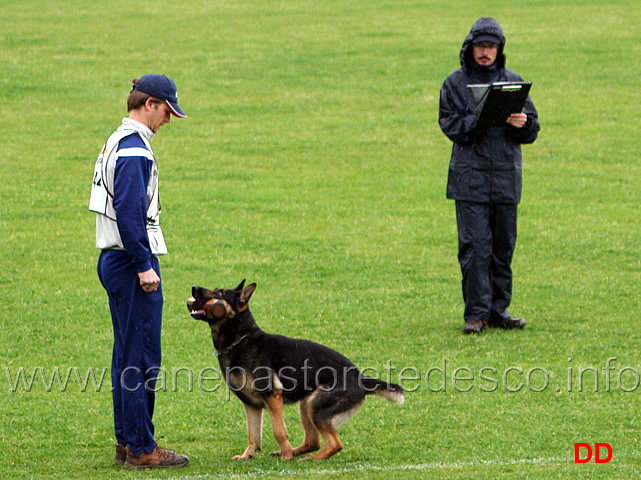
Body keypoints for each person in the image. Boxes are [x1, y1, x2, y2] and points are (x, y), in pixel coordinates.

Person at [89, 74, 189, 468]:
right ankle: (143, 449)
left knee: (125, 356)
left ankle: (127, 442)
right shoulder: (135, 151)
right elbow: (130, 214)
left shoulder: (115, 140)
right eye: (167, 110)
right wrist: (145, 266)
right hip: (130, 264)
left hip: (114, 260)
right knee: (141, 359)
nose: (168, 119)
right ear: (148, 103)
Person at [438, 18, 540, 334]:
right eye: (481, 46)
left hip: (506, 179)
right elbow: (450, 126)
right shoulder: (454, 84)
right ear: (470, 49)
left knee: (502, 247)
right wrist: (480, 119)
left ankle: (499, 311)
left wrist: (523, 122)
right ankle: (476, 314)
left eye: (491, 47)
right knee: (474, 248)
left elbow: (533, 130)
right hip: (470, 181)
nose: (486, 53)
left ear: (499, 50)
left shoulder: (513, 82)